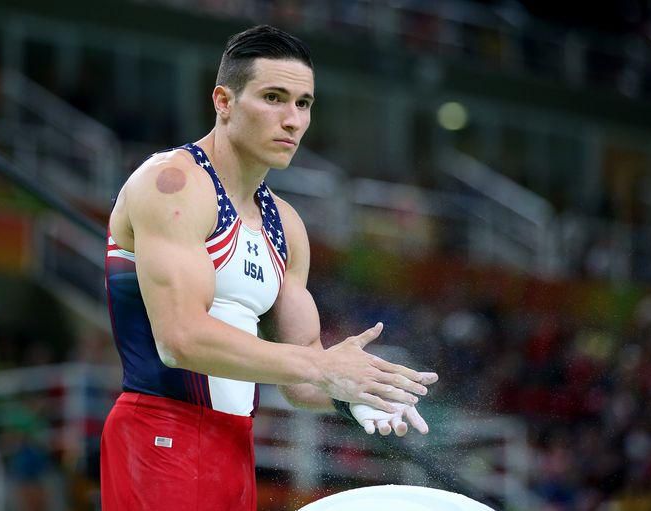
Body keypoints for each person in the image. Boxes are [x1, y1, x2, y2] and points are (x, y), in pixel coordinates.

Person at [101, 25, 438, 510]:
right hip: (160, 434)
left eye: (303, 104)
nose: (293, 120)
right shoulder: (172, 185)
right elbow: (181, 340)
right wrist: (324, 367)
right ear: (224, 101)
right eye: (274, 97)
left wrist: (357, 391)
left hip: (236, 446)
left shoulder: (287, 226)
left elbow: (300, 378)